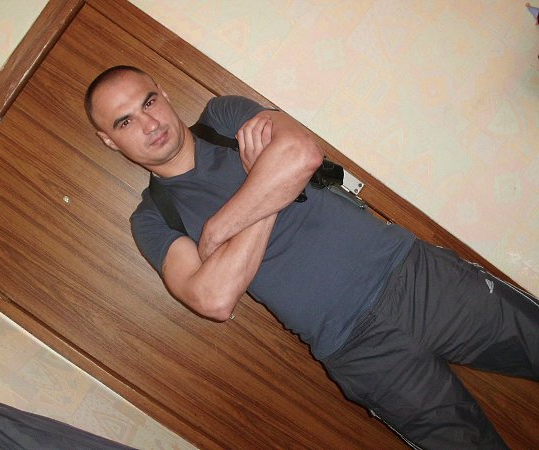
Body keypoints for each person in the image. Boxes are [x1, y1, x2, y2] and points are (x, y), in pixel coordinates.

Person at [85, 65, 538, 449]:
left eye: (148, 102)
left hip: (417, 276)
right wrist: (266, 189)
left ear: (163, 95)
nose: (149, 123)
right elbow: (214, 299)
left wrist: (220, 230)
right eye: (125, 122)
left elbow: (302, 155)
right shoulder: (152, 218)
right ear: (109, 141)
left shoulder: (224, 117)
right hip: (360, 352)